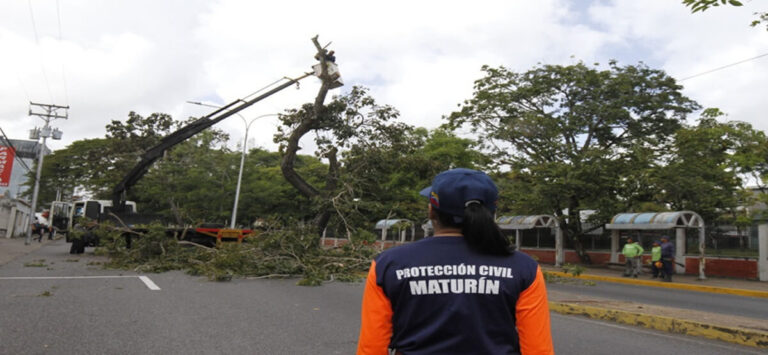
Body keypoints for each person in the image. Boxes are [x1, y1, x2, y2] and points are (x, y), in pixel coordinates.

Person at [357, 168, 553, 355]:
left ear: (431, 211)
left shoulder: (388, 264)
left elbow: (371, 348)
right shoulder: (524, 268)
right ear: (491, 213)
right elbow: (538, 350)